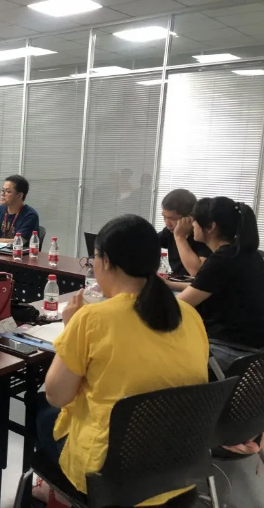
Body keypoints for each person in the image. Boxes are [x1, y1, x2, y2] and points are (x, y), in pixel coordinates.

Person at [33, 214, 208, 506]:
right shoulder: (189, 315)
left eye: (94, 258)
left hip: (112, 473)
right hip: (176, 465)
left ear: (106, 262)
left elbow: (57, 396)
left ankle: (56, 494)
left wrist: (71, 327)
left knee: (41, 410)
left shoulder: (91, 318)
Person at [177, 197, 264, 370]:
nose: (192, 226)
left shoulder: (222, 259)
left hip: (228, 350)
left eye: (195, 221)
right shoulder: (250, 255)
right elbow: (206, 287)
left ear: (210, 226)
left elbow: (180, 304)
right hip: (255, 353)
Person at [158, 189, 211, 277]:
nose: (167, 223)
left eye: (172, 219)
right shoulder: (169, 231)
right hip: (175, 281)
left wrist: (179, 237)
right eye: (164, 217)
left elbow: (197, 272)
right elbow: (147, 241)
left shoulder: (201, 236)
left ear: (190, 218)